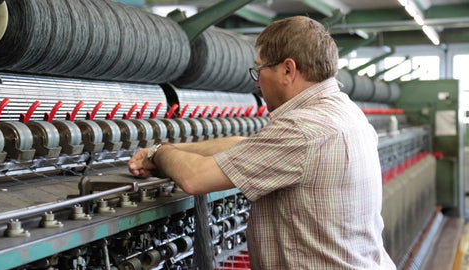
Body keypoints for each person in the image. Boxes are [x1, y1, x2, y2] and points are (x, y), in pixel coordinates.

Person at [128, 16, 396, 270]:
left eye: (259, 70)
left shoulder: (302, 129)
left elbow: (194, 179)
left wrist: (160, 153)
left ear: (288, 70)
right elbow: (246, 146)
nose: (257, 83)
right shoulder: (345, 112)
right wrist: (171, 149)